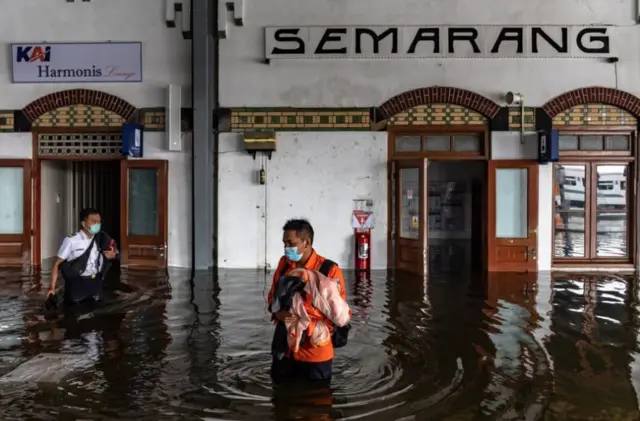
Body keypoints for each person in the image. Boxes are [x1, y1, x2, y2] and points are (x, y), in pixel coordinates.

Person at [267, 218, 347, 383]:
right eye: (284, 243)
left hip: (314, 352)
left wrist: (305, 322)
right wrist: (279, 314)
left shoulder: (329, 271)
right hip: (285, 347)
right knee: (281, 398)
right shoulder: (284, 264)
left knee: (316, 400)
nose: (286, 248)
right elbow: (272, 298)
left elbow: (339, 315)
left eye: (290, 243)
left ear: (306, 242)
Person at [47, 207, 118, 306]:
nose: (97, 224)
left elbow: (112, 253)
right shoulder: (71, 240)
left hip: (96, 284)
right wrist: (52, 288)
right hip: (77, 285)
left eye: (99, 221)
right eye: (93, 221)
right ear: (84, 224)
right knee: (74, 312)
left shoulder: (101, 239)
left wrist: (111, 256)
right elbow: (57, 264)